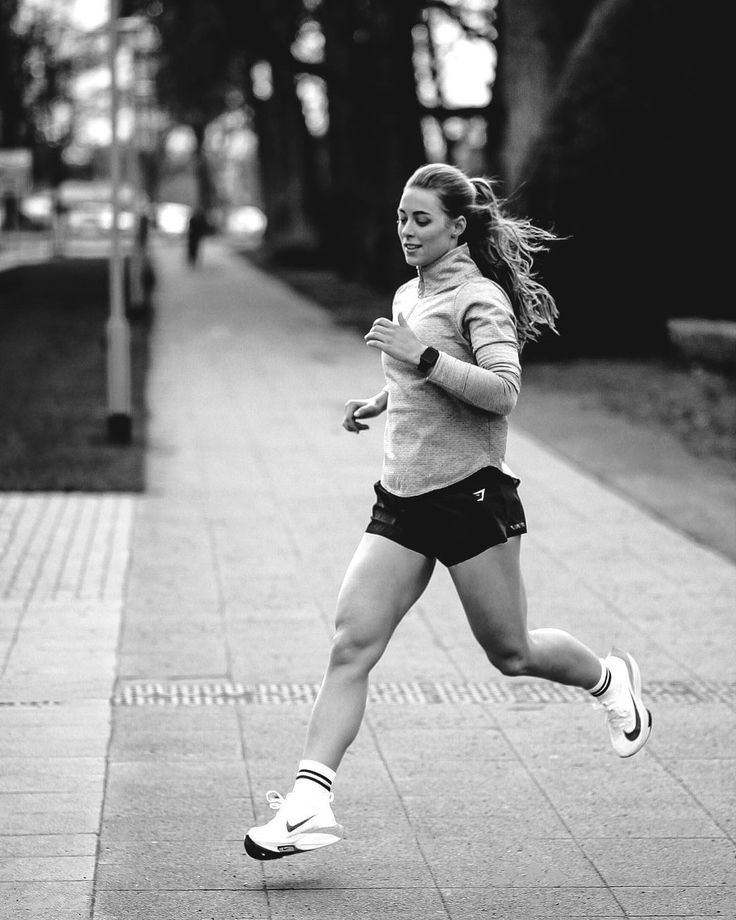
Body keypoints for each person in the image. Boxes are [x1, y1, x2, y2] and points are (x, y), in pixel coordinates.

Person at [244, 162, 652, 862]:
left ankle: (613, 681)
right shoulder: (410, 292)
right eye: (402, 217)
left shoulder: (480, 298)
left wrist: (422, 357)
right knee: (350, 644)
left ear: (457, 226)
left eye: (421, 219)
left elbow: (501, 392)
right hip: (401, 500)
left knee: (511, 651)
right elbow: (417, 376)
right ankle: (310, 803)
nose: (406, 230)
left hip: (469, 499)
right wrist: (382, 399)